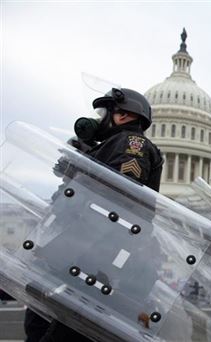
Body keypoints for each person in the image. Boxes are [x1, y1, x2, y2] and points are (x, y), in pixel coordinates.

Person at [24, 87, 163, 342]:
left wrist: (61, 250)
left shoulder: (132, 144)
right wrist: (80, 165)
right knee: (40, 322)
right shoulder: (110, 145)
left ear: (122, 115)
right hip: (84, 254)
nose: (99, 120)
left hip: (90, 258)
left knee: (58, 331)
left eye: (103, 113)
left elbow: (114, 206)